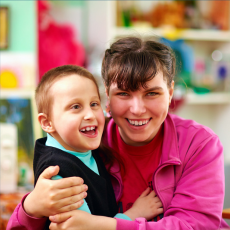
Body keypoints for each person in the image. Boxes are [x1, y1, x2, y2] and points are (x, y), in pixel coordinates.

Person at [7, 37, 229, 230]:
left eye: (152, 93)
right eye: (123, 93)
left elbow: (194, 226)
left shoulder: (199, 144)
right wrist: (31, 208)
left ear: (170, 93)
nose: (137, 109)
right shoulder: (85, 143)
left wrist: (106, 226)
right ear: (107, 97)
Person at [7, 64, 163, 230]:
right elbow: (86, 226)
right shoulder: (59, 174)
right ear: (47, 123)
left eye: (94, 104)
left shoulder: (79, 146)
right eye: (75, 107)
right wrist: (134, 213)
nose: (90, 115)